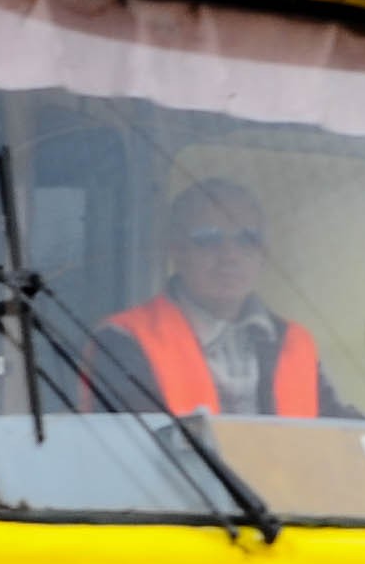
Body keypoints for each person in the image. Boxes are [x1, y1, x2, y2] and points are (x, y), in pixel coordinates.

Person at [98, 177, 348, 418]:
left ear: (263, 254)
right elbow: (132, 447)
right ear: (176, 250)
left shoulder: (294, 342)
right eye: (209, 239)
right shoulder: (124, 338)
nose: (230, 255)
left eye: (247, 240)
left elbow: (339, 432)